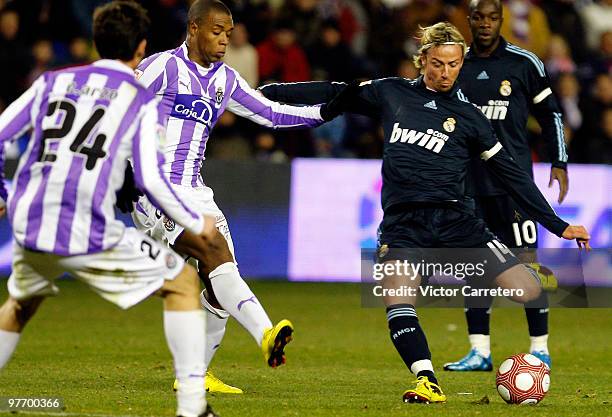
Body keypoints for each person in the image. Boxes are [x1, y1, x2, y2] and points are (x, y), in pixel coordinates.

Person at [259, 22, 590, 403]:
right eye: (437, 63)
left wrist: (559, 226)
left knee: (529, 289)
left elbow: (514, 177)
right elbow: (338, 93)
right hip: (404, 223)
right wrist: (269, 94)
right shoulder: (391, 92)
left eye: (453, 64)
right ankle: (426, 380)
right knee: (397, 298)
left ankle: (480, 321)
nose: (446, 72)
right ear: (422, 61)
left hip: (457, 221)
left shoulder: (472, 120)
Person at [0, 2, 219, 417]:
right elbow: (153, 179)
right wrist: (195, 221)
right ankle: (193, 409)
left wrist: (1, 191)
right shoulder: (140, 100)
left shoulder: (52, 81)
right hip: (83, 227)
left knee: (19, 305)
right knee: (183, 283)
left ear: (98, 42)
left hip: (28, 222)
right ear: (141, 47)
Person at [130, 0, 334, 394]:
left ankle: (194, 374)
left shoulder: (226, 79)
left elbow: (272, 113)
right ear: (193, 29)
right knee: (215, 252)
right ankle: (265, 333)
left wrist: (327, 112)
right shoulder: (162, 67)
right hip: (156, 190)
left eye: (228, 32)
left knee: (221, 281)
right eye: (216, 31)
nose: (225, 39)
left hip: (196, 191)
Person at [441, 0, 569, 372]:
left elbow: (550, 114)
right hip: (468, 184)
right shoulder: (456, 63)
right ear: (469, 20)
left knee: (528, 266)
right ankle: (479, 351)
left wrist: (559, 160)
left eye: (492, 17)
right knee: (474, 267)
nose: (485, 23)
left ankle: (540, 348)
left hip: (513, 186)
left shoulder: (524, 63)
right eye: (478, 17)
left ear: (502, 20)